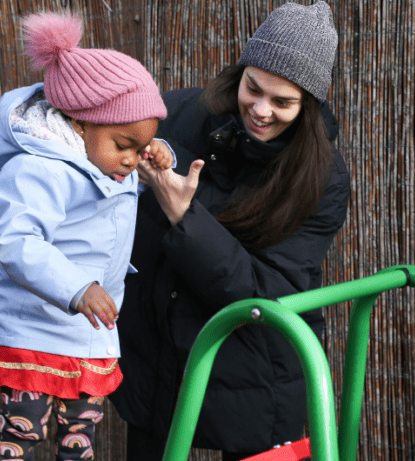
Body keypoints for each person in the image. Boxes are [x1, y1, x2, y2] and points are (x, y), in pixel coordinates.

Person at [108, 2, 351, 459]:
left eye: (282, 102)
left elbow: (264, 292)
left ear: (309, 103)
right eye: (252, 87)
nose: (260, 110)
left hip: (255, 366)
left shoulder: (321, 177)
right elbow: (76, 112)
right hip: (158, 357)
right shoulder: (183, 111)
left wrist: (186, 217)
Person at [0, 10, 171, 461]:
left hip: (88, 333)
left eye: (142, 146)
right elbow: (19, 245)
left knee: (79, 439)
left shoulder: (105, 157)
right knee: (21, 434)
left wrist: (161, 151)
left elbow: (129, 151)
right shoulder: (38, 169)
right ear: (79, 123)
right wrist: (77, 288)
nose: (134, 160)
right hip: (34, 332)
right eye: (125, 144)